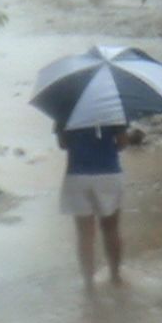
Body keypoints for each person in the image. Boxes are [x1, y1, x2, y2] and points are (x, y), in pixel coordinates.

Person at [54, 122, 129, 293]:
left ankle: (89, 284)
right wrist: (105, 149)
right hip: (109, 173)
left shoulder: (64, 107)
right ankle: (115, 277)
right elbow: (123, 142)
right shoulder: (112, 105)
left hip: (77, 175)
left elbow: (63, 144)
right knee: (111, 229)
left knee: (84, 234)